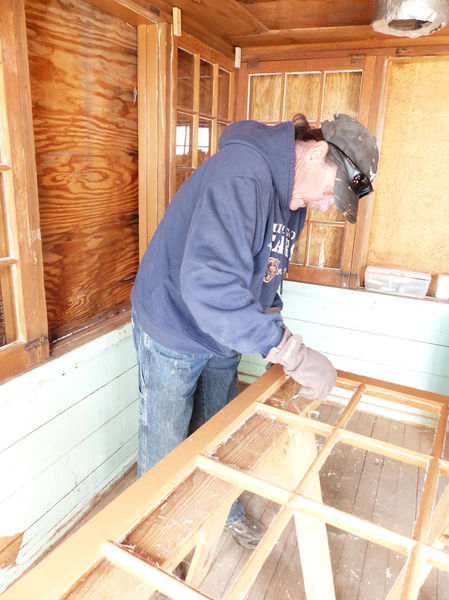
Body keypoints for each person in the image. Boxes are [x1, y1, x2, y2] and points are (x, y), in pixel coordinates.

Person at [131, 112, 379, 548]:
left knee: (219, 426)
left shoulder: (292, 199)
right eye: (329, 191)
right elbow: (209, 286)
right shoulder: (242, 175)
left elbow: (266, 280)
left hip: (223, 330)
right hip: (173, 322)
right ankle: (153, 543)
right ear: (317, 151)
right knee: (166, 444)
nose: (326, 205)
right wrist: (292, 353)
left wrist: (275, 332)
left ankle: (221, 507)